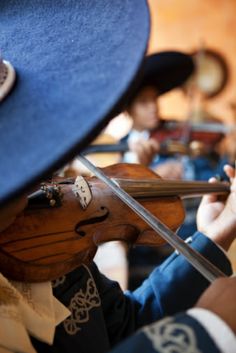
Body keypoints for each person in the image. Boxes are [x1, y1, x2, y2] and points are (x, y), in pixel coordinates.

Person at [0, 2, 236, 353]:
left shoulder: (43, 240)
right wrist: (202, 332)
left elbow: (126, 322)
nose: (49, 172)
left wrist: (214, 233)